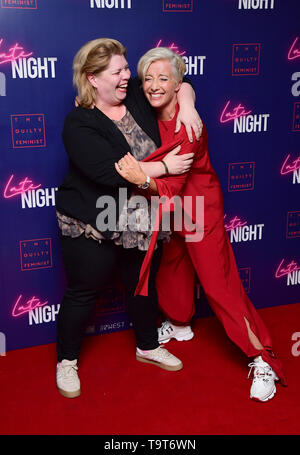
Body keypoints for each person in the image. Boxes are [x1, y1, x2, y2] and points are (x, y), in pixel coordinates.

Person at [116, 47, 286, 402]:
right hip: (169, 205)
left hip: (197, 206)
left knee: (219, 284)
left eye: (164, 79)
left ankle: (261, 356)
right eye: (148, 78)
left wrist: (125, 170)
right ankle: (180, 324)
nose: (154, 85)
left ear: (177, 85)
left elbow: (172, 182)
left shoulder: (188, 125)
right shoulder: (149, 104)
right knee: (171, 268)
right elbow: (172, 82)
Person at [55, 38, 202, 398]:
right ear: (92, 78)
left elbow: (178, 82)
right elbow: (110, 172)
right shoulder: (79, 122)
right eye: (118, 71)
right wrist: (165, 166)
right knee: (83, 292)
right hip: (93, 218)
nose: (127, 76)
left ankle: (147, 346)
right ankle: (67, 361)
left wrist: (188, 106)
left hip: (139, 213)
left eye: (125, 68)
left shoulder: (134, 94)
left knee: (142, 285)